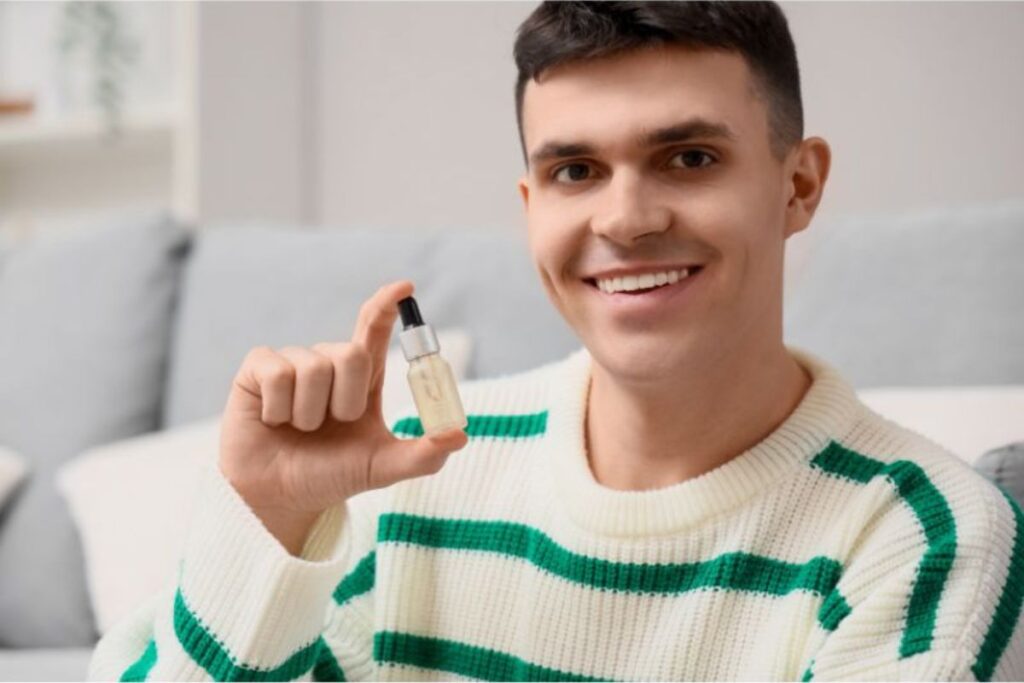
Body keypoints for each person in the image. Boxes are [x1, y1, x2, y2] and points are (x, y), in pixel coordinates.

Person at [88, 2, 1024, 681]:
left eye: (689, 158)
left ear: (799, 185)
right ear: (532, 207)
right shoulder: (405, 475)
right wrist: (268, 522)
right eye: (575, 170)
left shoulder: (923, 531)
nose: (626, 217)